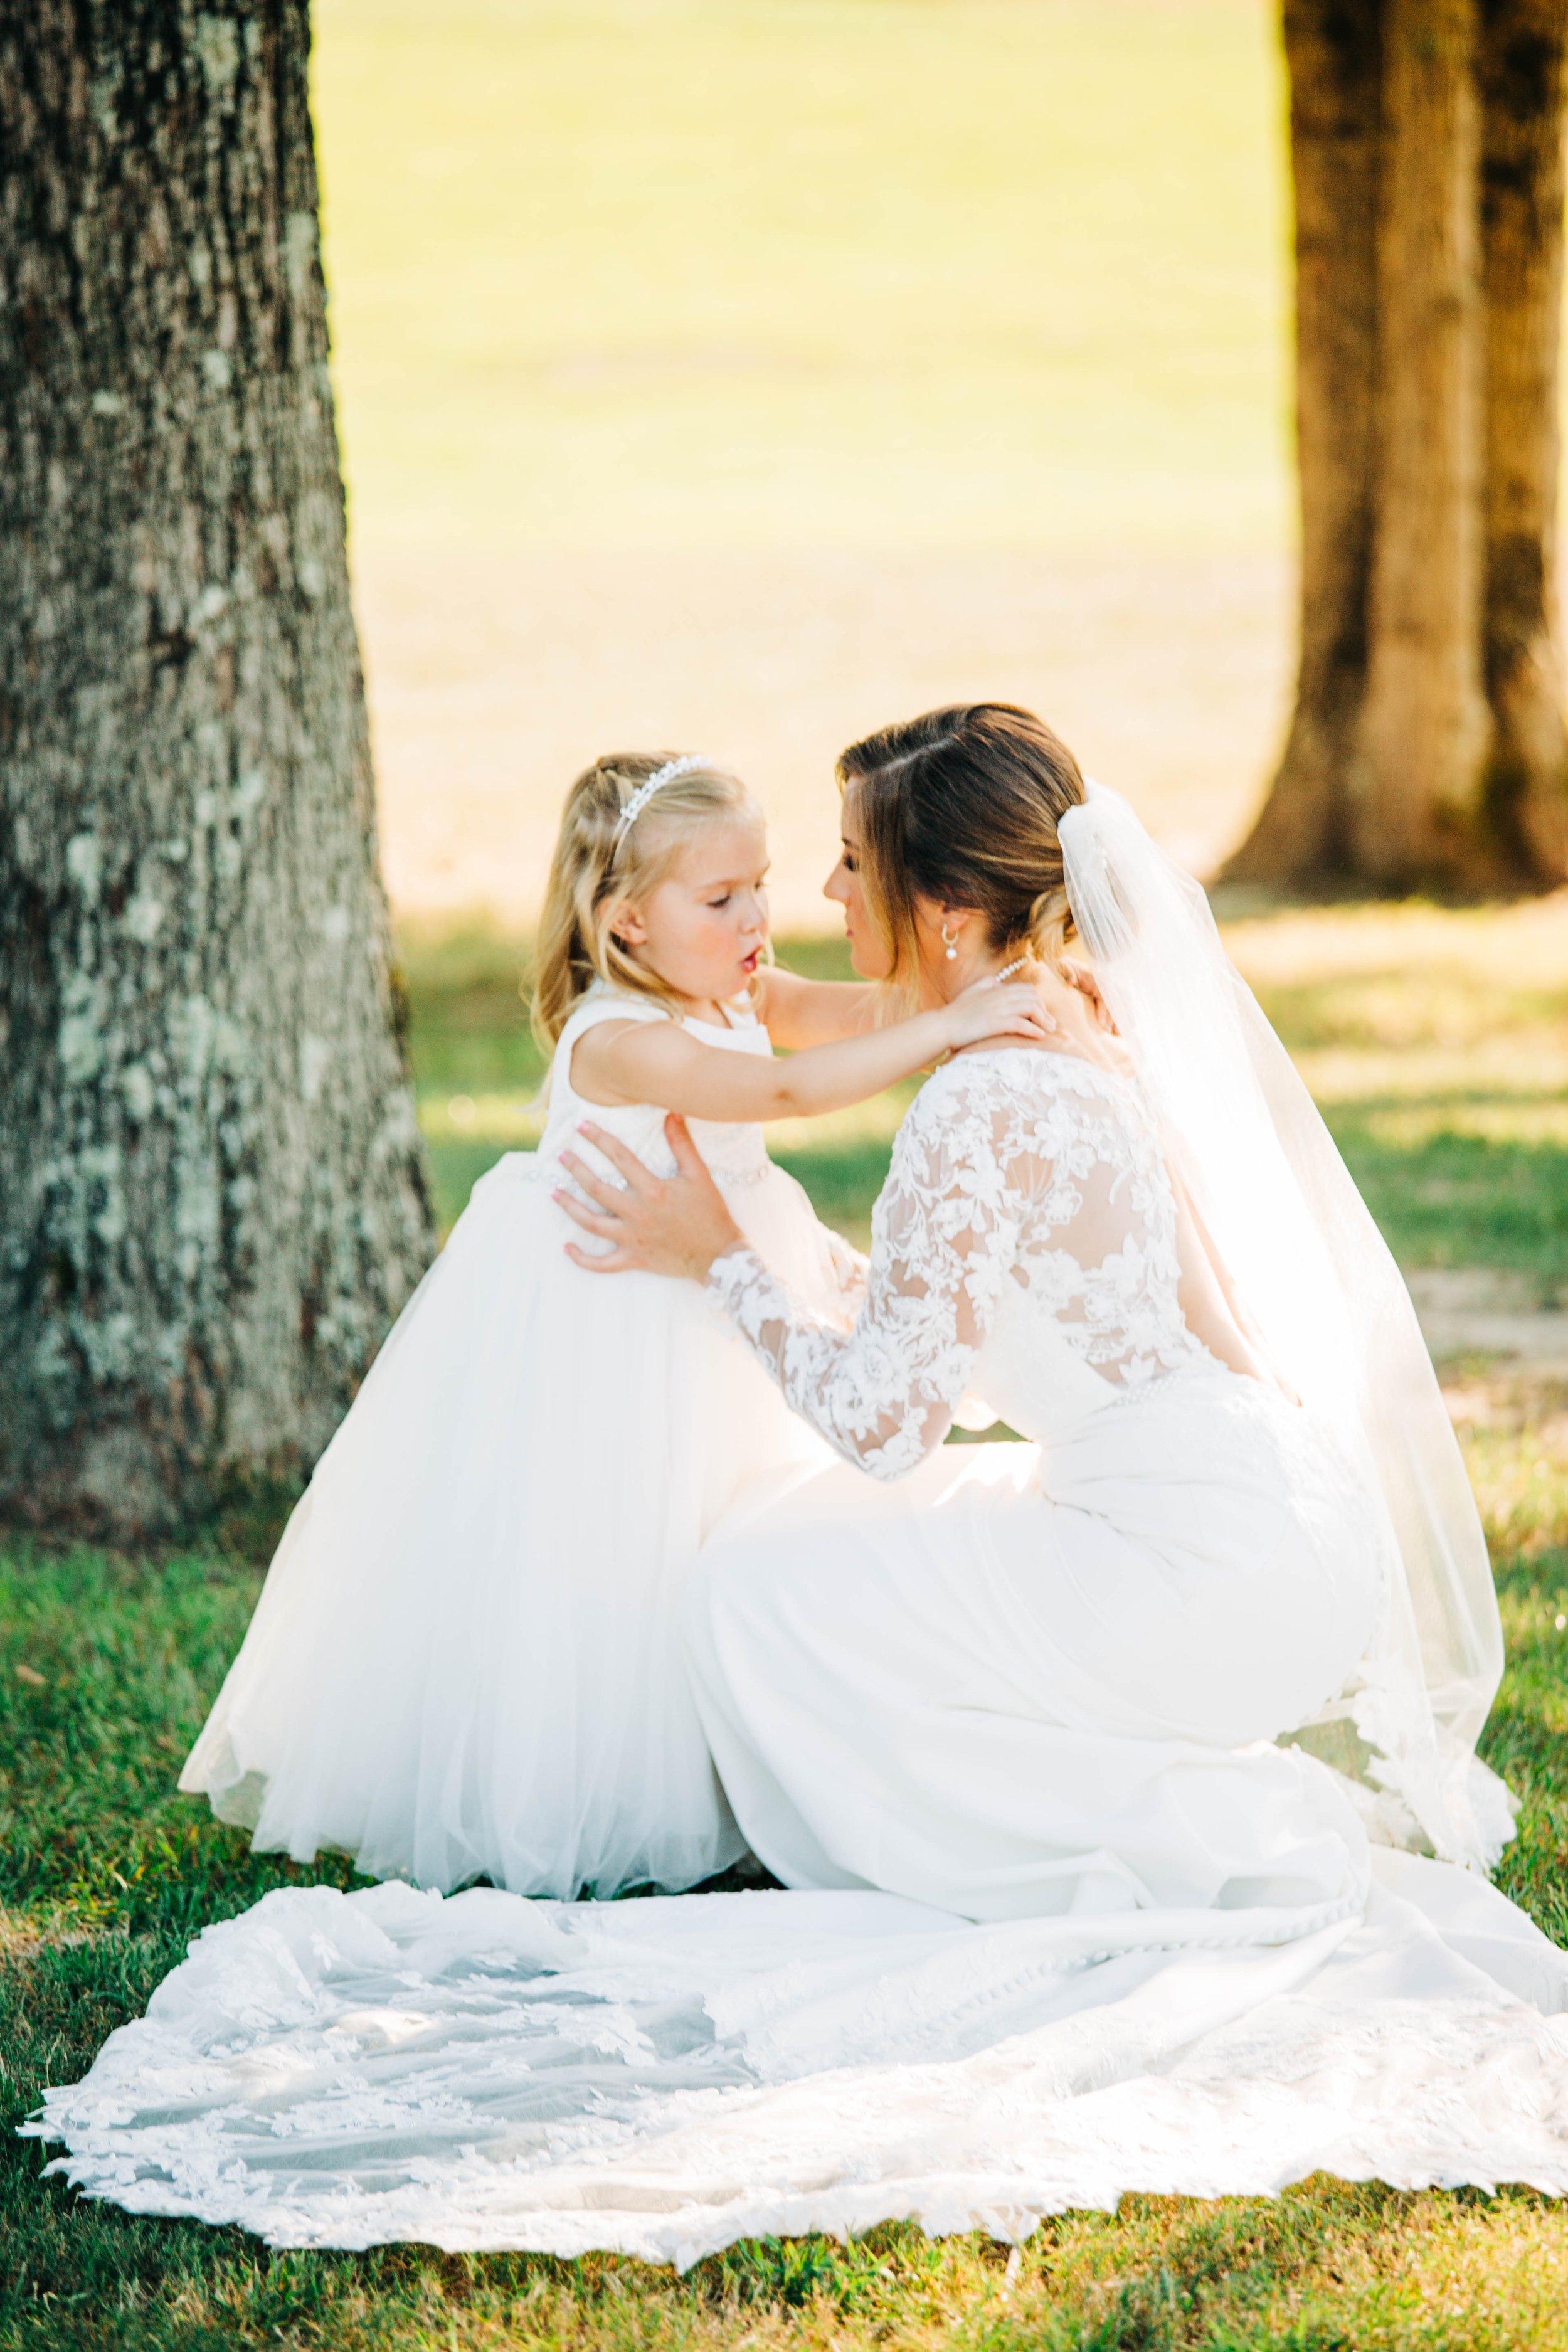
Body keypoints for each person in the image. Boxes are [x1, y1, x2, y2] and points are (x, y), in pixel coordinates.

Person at [31, 709, 1568, 2264]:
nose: (818, 902)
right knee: (839, 1548)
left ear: (943, 911)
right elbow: (1104, 1324)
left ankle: (1068, 1839)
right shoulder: (1091, 1030)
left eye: (846, 867)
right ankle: (1072, 1800)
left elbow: (890, 1427)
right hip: (1287, 1530)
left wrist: (724, 1263)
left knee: (753, 1591)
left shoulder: (980, 1092)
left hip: (1183, 1573)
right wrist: (833, 1264)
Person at [178, 747, 1052, 1902]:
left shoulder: (728, 986)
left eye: (762, 882)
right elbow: (786, 1091)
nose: (758, 917)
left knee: (722, 1524)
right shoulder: (620, 1036)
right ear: (625, 920)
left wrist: (975, 997)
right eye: (722, 896)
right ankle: (593, 1788)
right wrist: (945, 1036)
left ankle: (740, 1758)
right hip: (619, 1318)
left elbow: (854, 1008)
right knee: (618, 1547)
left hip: (707, 1291)